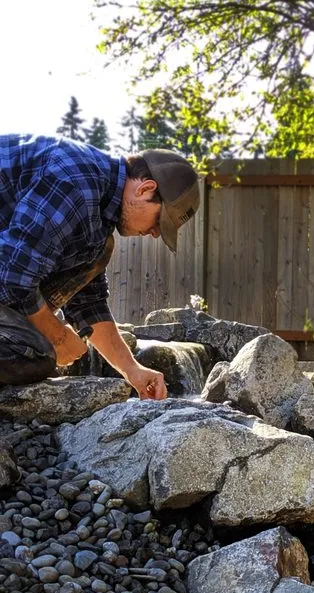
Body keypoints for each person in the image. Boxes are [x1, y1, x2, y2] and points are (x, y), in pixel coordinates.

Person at [0, 134, 200, 398]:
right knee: (34, 351)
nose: (154, 234)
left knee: (36, 344)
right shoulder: (76, 184)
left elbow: (88, 304)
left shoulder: (98, 218)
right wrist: (57, 338)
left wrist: (133, 370)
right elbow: (12, 277)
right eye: (158, 223)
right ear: (145, 189)